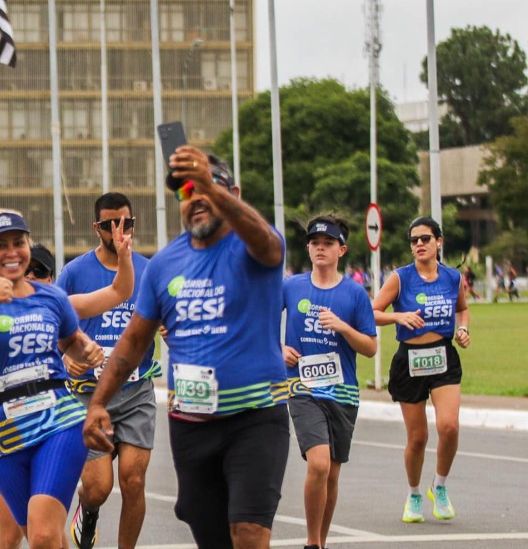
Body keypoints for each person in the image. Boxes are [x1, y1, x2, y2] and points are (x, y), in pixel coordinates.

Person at [84, 150, 289, 549]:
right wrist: (98, 403)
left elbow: (269, 245)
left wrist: (211, 188)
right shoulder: (164, 264)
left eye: (207, 188)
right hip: (191, 423)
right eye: (187, 191)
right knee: (210, 536)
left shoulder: (256, 245)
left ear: (233, 193)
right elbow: (133, 342)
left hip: (255, 418)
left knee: (247, 533)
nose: (196, 198)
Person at [0, 209, 103, 549]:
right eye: (0, 245)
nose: (11, 252)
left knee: (42, 535)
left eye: (18, 242)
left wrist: (86, 350)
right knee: (46, 537)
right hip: (3, 433)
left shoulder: (51, 297)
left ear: (28, 245)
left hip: (58, 421)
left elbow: (71, 341)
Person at [57, 193, 151, 549]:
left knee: (134, 481)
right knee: (98, 487)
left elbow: (165, 315)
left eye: (126, 222)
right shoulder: (75, 272)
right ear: (97, 227)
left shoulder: (148, 270)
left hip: (136, 389)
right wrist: (66, 355)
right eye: (111, 224)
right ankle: (89, 509)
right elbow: (52, 323)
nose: (119, 230)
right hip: (88, 392)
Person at [282, 216, 378, 549]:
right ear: (308, 248)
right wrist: (278, 348)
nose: (320, 249)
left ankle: (320, 541)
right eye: (315, 244)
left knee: (332, 473)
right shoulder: (291, 286)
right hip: (300, 388)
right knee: (319, 463)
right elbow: (260, 321)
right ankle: (311, 542)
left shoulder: (354, 293)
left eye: (327, 244)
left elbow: (370, 347)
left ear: (342, 249)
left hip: (344, 392)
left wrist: (343, 328)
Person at [371, 216, 470, 523]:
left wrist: (463, 330)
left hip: (443, 356)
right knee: (418, 438)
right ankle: (414, 494)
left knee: (449, 427)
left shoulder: (452, 278)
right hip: (409, 360)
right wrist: (398, 319)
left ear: (439, 242)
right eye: (414, 240)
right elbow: (372, 312)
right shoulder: (400, 278)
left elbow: (462, 309)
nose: (419, 245)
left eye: (425, 238)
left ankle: (438, 486)